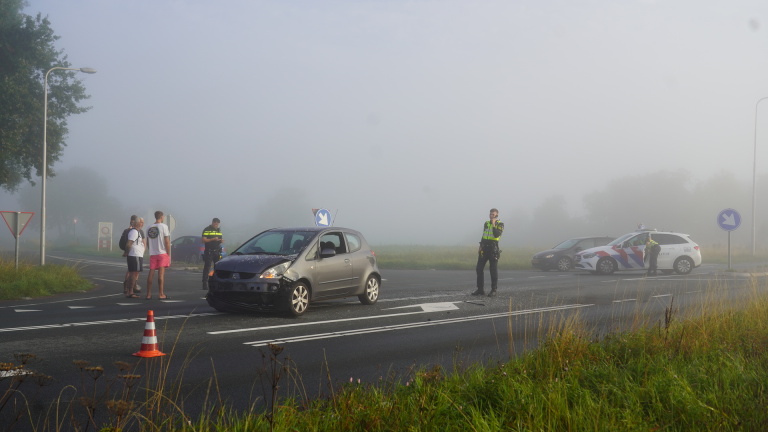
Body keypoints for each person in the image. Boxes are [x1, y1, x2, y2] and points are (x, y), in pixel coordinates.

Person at [472, 208, 505, 297]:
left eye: (493, 215)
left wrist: (494, 224)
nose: (491, 216)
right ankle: (480, 289)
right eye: (490, 214)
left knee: (493, 270)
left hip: (493, 249)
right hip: (484, 248)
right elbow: (484, 235)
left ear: (497, 215)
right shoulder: (486, 223)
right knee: (479, 268)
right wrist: (480, 246)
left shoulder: (500, 224)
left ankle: (493, 290)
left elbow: (497, 234)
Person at [146, 211, 172, 300]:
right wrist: (168, 253)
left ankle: (148, 294)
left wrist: (151, 250)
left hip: (153, 253)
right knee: (161, 274)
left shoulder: (149, 227)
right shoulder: (164, 227)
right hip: (162, 253)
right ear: (162, 217)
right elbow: (167, 242)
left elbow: (148, 242)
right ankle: (161, 293)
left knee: (151, 273)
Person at [122, 217, 146, 298]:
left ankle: (130, 291)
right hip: (134, 255)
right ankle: (130, 292)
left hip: (136, 254)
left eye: (143, 222)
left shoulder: (137, 232)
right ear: (137, 223)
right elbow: (129, 243)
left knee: (134, 273)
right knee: (133, 274)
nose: (143, 224)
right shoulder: (134, 232)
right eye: (141, 222)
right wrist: (126, 252)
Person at [201, 218, 224, 290]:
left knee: (217, 267)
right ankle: (205, 283)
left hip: (217, 251)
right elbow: (203, 240)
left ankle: (216, 283)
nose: (216, 225)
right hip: (209, 251)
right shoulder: (207, 229)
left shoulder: (219, 230)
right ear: (212, 222)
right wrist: (212, 239)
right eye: (215, 223)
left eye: (217, 224)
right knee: (207, 267)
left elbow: (219, 239)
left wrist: (221, 241)